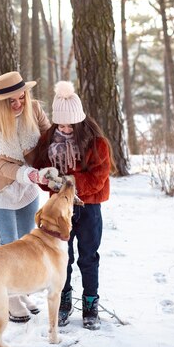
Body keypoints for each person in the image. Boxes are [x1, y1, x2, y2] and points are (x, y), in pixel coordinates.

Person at [33, 81, 115, 330]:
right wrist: (49, 179)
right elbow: (42, 175)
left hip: (88, 207)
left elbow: (97, 179)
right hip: (58, 210)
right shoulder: (48, 141)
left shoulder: (96, 142)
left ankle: (91, 303)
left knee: (88, 257)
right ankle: (63, 300)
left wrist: (67, 183)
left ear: (80, 121)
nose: (66, 129)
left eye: (70, 124)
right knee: (61, 257)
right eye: (61, 124)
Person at [0, 71, 52, 323]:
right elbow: (0, 163)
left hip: (28, 188)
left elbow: (49, 139)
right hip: (2, 187)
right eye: (11, 100)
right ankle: (9, 297)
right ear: (0, 102)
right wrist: (28, 174)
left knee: (25, 243)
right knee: (8, 243)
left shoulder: (34, 109)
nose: (18, 103)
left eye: (21, 96)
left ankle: (21, 291)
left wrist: (49, 167)